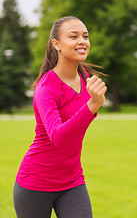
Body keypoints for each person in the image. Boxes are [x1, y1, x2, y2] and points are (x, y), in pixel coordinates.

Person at [13, 16, 107, 218]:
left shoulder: (86, 79)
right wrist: (93, 105)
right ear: (57, 44)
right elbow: (60, 138)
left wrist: (92, 104)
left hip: (72, 180)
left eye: (85, 36)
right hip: (36, 181)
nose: (82, 41)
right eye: (73, 36)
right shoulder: (46, 88)